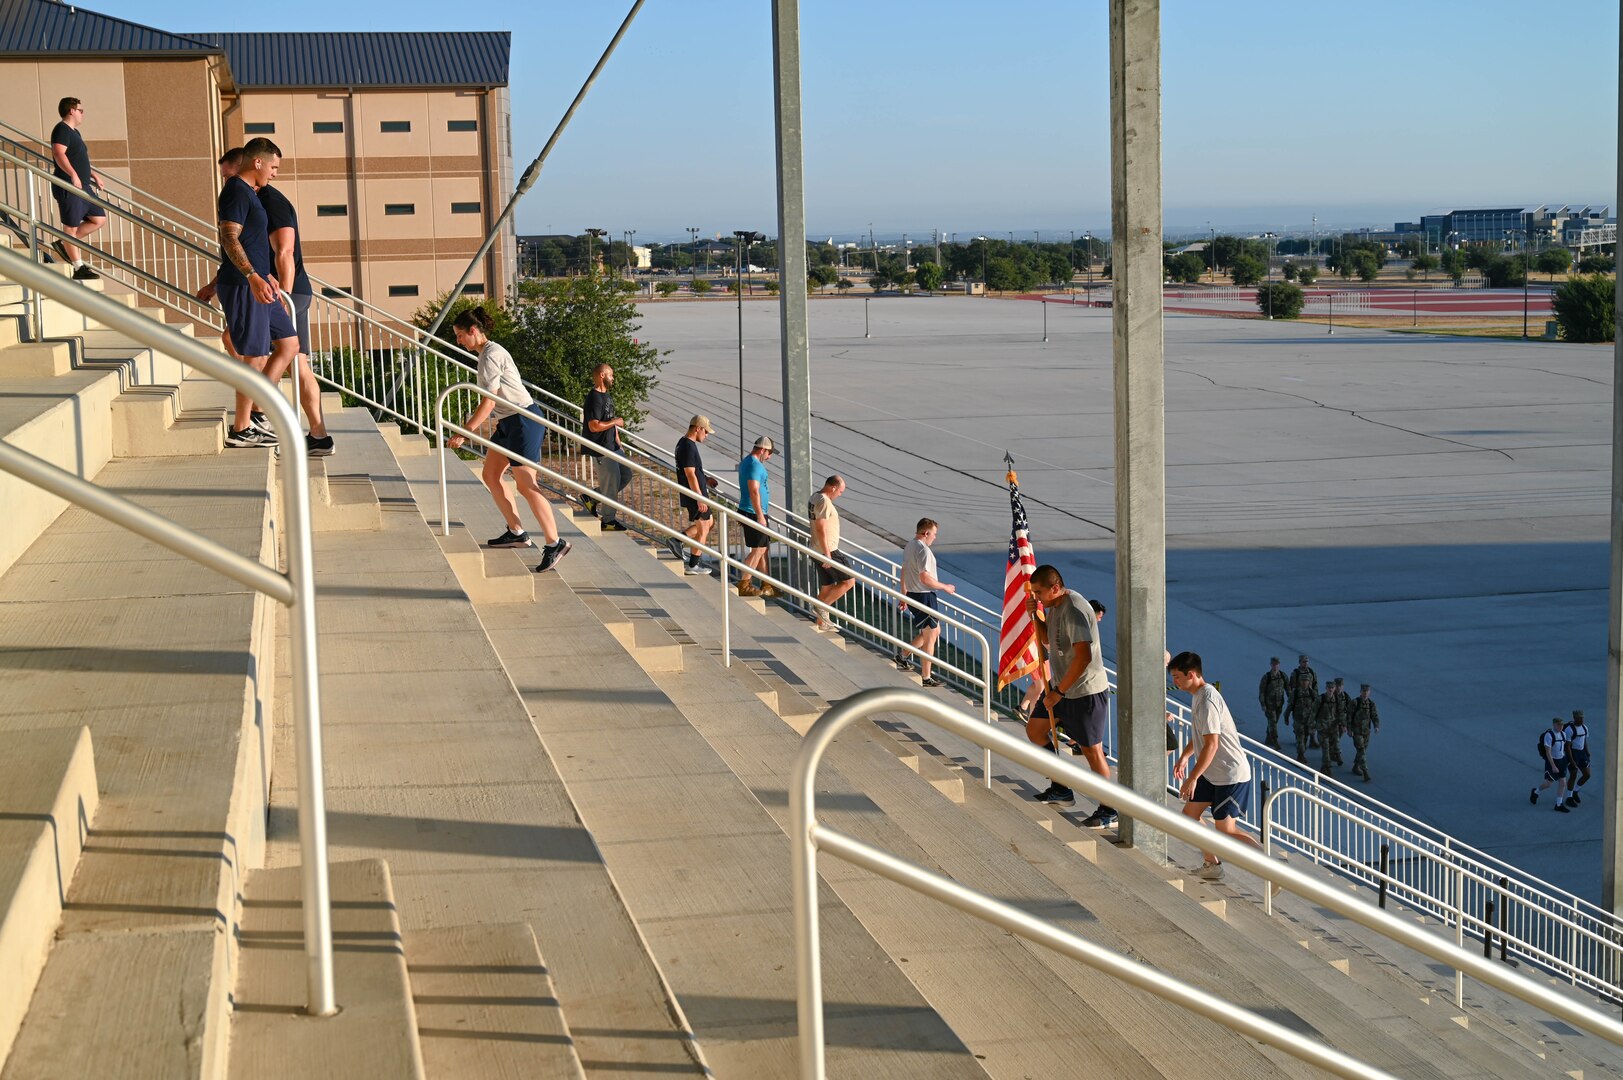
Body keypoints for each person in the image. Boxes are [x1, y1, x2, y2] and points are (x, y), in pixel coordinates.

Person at [444, 307, 570, 574]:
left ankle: (554, 543)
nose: (458, 341)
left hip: (524, 421)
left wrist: (463, 432)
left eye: (459, 336)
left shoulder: (490, 355)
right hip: (509, 422)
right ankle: (516, 532)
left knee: (526, 485)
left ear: (473, 332)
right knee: (491, 474)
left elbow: (489, 402)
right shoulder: (486, 354)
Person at [214, 138, 298, 449]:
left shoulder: (251, 193)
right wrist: (251, 276)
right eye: (273, 166)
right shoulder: (236, 189)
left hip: (261, 283)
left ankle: (258, 411)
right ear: (258, 162)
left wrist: (266, 276)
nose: (275, 173)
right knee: (255, 355)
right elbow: (229, 236)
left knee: (289, 343)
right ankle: (241, 429)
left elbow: (251, 241)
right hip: (243, 285)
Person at [1025, 565, 1115, 826]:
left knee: (1091, 751)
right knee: (1035, 730)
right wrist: (1037, 617)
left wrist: (1059, 692)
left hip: (1084, 691)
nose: (1037, 597)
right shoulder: (1053, 607)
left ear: (1055, 587)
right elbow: (1048, 642)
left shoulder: (1074, 609)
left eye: (1039, 592)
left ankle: (1110, 808)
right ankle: (1061, 787)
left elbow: (1084, 656)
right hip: (1060, 688)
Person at [258, 175, 334, 457]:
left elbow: (285, 251)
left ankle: (259, 415)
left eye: (229, 174)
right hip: (290, 294)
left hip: (287, 294)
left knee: (255, 352)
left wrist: (284, 300)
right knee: (299, 364)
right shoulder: (261, 200)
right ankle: (319, 435)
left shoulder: (271, 202)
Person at [1169, 651, 1261, 881]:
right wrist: (1185, 756)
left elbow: (1211, 745)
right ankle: (1212, 863)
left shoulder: (1208, 700)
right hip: (1211, 774)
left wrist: (1192, 777)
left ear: (1192, 674)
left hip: (1231, 775)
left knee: (1226, 831)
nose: (1175, 682)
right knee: (1189, 817)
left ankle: (1274, 870)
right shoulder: (1197, 695)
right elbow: (1200, 736)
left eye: (1178, 677)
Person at [48, 97, 105, 280]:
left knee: (99, 219)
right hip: (69, 186)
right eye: (81, 110)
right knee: (71, 227)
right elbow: (59, 153)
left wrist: (93, 174)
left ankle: (65, 244)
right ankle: (78, 267)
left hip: (83, 185)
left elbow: (78, 158)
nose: (82, 114)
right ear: (71, 110)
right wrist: (73, 175)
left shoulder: (75, 133)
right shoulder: (61, 129)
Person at [897, 518, 956, 689]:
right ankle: (926, 677)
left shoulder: (910, 545)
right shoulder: (923, 550)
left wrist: (904, 594)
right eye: (934, 534)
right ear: (926, 533)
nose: (935, 538)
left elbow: (904, 570)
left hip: (915, 595)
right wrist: (945, 587)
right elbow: (925, 578)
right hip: (924, 596)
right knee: (931, 636)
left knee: (935, 630)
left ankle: (903, 655)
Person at [670, 415, 718, 576]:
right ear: (697, 428)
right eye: (705, 431)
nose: (707, 435)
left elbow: (694, 471)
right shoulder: (688, 446)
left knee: (709, 522)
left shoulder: (684, 443)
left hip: (695, 491)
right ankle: (693, 565)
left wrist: (706, 479)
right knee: (703, 528)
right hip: (694, 494)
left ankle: (677, 540)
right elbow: (690, 474)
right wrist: (699, 498)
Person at [808, 474, 857, 630]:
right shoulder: (824, 501)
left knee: (827, 586)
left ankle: (821, 624)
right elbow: (821, 528)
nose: (840, 495)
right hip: (828, 550)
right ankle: (821, 608)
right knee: (849, 581)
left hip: (816, 549)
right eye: (840, 491)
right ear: (833, 487)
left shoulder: (814, 496)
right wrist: (828, 554)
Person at [582, 364, 628, 531]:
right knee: (612, 481)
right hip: (601, 448)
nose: (613, 378)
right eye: (611, 375)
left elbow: (610, 420)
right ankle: (608, 520)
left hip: (613, 446)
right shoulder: (593, 398)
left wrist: (619, 442)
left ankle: (592, 497)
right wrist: (616, 422)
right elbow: (594, 426)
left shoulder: (607, 396)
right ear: (602, 375)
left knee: (626, 475)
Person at [735, 436, 779, 597]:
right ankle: (744, 584)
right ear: (762, 450)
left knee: (761, 549)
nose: (770, 457)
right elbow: (754, 490)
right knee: (759, 550)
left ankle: (767, 584)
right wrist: (760, 515)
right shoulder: (754, 465)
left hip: (753, 511)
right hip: (753, 512)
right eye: (769, 453)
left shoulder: (747, 461)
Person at [1531, 716, 1570, 812]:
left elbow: (1563, 748)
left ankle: (1558, 804)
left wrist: (1567, 760)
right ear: (1554, 724)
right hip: (1552, 761)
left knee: (1563, 782)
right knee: (1548, 784)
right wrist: (1553, 766)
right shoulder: (1549, 735)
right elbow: (1548, 752)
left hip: (1562, 760)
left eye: (1562, 725)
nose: (1561, 727)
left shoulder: (1563, 734)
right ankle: (1536, 792)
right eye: (1558, 725)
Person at [1285, 654, 1319, 763]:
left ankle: (1310, 741)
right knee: (1300, 736)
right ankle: (1300, 755)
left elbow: (1316, 686)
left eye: (1307, 661)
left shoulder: (1312, 673)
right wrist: (1287, 716)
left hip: (1308, 716)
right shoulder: (1296, 674)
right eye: (1304, 662)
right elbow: (1290, 687)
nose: (1306, 663)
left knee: (1305, 736)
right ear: (1300, 662)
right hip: (1298, 716)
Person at [1346, 683, 1380, 782]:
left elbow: (1374, 716)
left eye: (1367, 691)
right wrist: (1349, 729)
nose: (1365, 693)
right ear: (1360, 692)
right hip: (1356, 732)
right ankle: (1365, 772)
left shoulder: (1371, 704)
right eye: (1363, 691)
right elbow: (1349, 716)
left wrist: (1376, 726)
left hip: (1366, 732)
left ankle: (1356, 766)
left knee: (1362, 750)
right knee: (1361, 750)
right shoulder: (1355, 703)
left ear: (1369, 693)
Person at [1317, 678, 1347, 773]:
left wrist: (1344, 724)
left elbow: (1342, 712)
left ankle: (1326, 764)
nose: (1331, 689)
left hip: (1334, 727)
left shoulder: (1339, 699)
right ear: (1326, 688)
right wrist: (1312, 726)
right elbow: (1314, 712)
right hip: (1323, 727)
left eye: (1333, 687)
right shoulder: (1321, 699)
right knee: (1326, 747)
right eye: (1329, 688)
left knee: (1335, 744)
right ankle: (1327, 767)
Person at [1257, 657, 1288, 750]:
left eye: (1277, 664)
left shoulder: (1283, 675)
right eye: (1273, 664)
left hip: (1279, 703)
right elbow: (1261, 691)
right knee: (1273, 722)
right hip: (1269, 704)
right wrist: (1263, 704)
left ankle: (1268, 737)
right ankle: (1275, 740)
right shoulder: (1267, 677)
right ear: (1271, 665)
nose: (1275, 666)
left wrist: (1291, 699)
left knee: (1274, 721)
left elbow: (1288, 688)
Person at [1566, 710, 1591, 806]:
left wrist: (1587, 752)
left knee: (1587, 775)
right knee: (1573, 775)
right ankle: (1569, 797)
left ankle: (1575, 791)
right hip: (1572, 753)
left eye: (1582, 717)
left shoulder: (1584, 728)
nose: (1581, 719)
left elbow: (1584, 741)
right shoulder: (1569, 729)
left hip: (1582, 753)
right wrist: (1572, 760)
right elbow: (1567, 746)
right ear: (1574, 718)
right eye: (1579, 718)